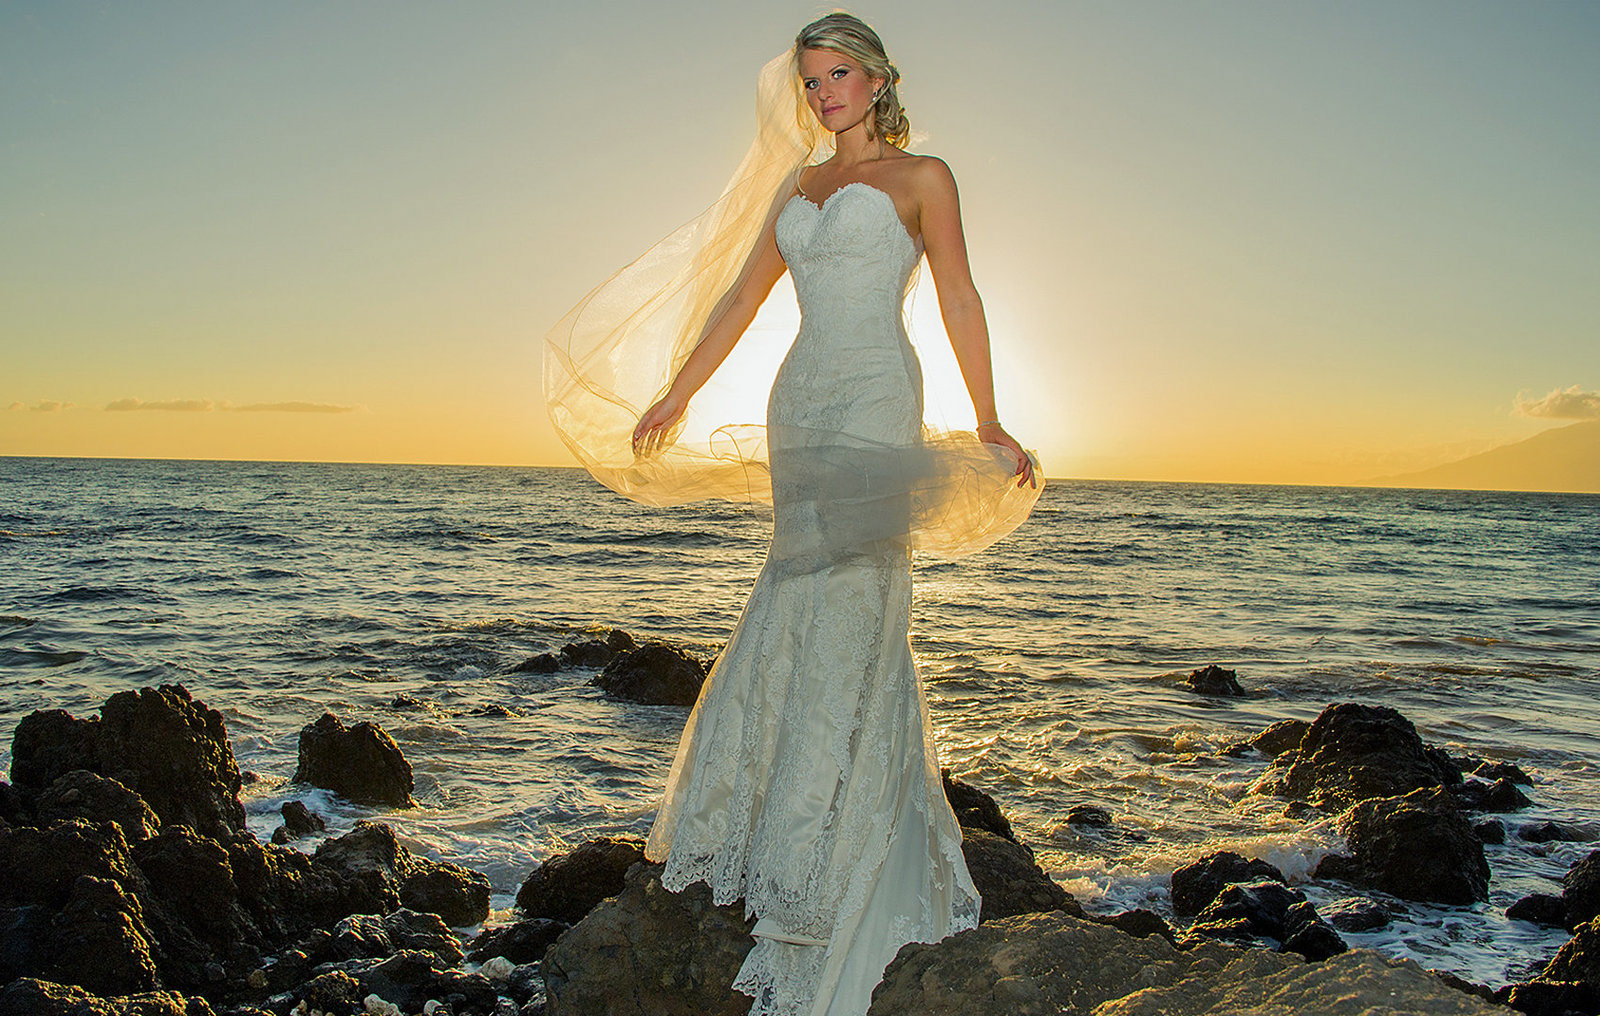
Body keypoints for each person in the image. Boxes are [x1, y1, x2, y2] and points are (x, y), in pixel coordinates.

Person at [544, 13, 1043, 1016]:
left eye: (839, 75)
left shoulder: (924, 178)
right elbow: (740, 299)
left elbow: (959, 296)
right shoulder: (798, 187)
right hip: (802, 397)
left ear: (879, 79)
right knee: (795, 588)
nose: (823, 95)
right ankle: (779, 819)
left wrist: (988, 416)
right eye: (811, 81)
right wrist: (678, 393)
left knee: (860, 598)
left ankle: (843, 831)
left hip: (875, 394)